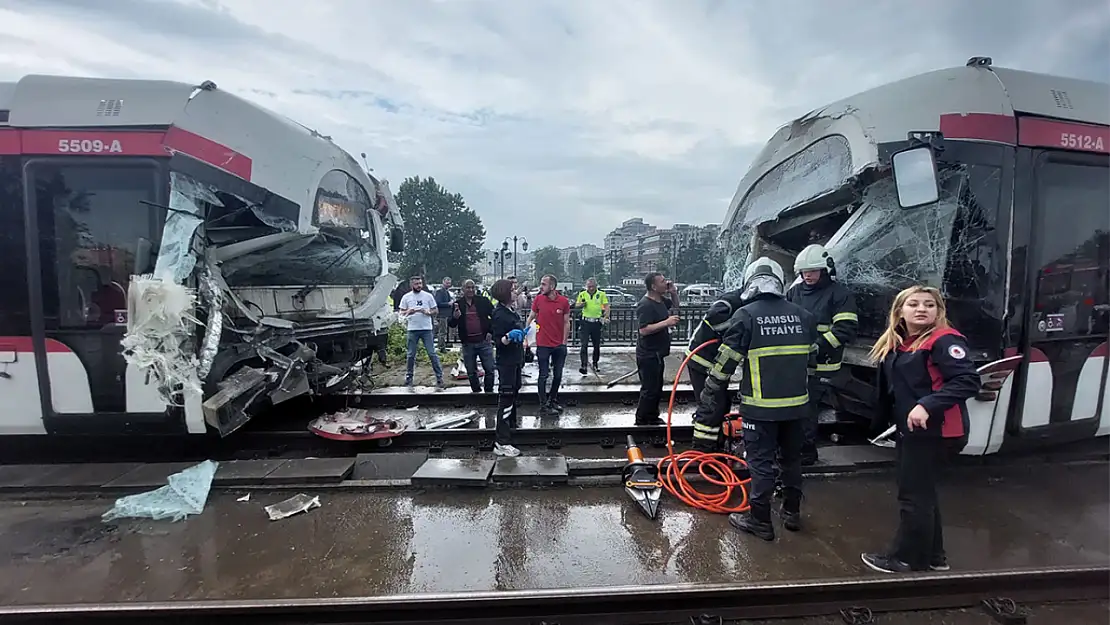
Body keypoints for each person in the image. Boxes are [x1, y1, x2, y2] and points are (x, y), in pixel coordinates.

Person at [861, 286, 980, 574]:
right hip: (912, 430)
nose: (921, 309)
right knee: (923, 494)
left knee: (913, 496)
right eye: (913, 304)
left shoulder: (944, 341)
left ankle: (907, 559)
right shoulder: (903, 342)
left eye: (929, 305)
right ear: (900, 311)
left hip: (936, 431)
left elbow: (967, 381)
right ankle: (934, 556)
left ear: (939, 312)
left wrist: (927, 405)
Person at [696, 258, 816, 541]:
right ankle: (792, 513)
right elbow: (811, 361)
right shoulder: (804, 315)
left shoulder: (746, 315)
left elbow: (726, 362)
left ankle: (760, 520)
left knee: (761, 463)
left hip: (760, 409)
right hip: (799, 406)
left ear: (750, 282)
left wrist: (710, 390)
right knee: (791, 460)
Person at [786, 244, 859, 464]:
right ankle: (793, 449)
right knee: (793, 406)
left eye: (813, 271)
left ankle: (806, 452)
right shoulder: (794, 292)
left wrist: (816, 348)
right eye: (805, 271)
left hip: (821, 364)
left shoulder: (840, 294)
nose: (808, 275)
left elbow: (845, 328)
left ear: (825, 270)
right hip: (795, 362)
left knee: (808, 408)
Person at [685, 284, 746, 450]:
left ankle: (719, 441)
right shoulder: (729, 303)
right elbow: (713, 317)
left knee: (722, 403)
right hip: (702, 360)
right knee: (712, 404)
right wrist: (734, 332)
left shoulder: (743, 301)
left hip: (717, 362)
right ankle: (705, 448)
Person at [634, 272, 681, 426]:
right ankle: (641, 419)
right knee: (649, 388)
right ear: (653, 286)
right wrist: (666, 322)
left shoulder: (660, 300)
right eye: (662, 281)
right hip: (648, 353)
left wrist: (673, 292)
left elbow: (675, 305)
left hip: (658, 353)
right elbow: (644, 330)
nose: (665, 283)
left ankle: (653, 416)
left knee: (657, 387)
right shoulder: (645, 304)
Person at [489, 278, 525, 458]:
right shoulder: (499, 314)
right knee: (506, 399)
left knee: (514, 396)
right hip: (507, 363)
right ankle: (501, 441)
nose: (515, 292)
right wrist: (508, 337)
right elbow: (498, 341)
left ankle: (510, 431)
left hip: (516, 360)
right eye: (512, 290)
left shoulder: (510, 310)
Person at [526, 274, 570, 415]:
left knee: (557, 375)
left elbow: (566, 322)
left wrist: (564, 342)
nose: (541, 286)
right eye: (541, 283)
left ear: (552, 286)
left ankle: (552, 399)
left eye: (544, 284)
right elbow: (531, 317)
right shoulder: (538, 299)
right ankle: (543, 404)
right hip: (543, 344)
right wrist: (526, 338)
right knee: (543, 375)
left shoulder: (563, 302)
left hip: (558, 345)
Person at [448, 279, 496, 394]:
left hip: (484, 341)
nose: (470, 290)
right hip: (468, 343)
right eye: (468, 287)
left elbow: (495, 317)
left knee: (489, 369)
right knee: (471, 371)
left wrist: (491, 332)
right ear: (463, 289)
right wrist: (455, 317)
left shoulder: (483, 301)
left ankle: (489, 393)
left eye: (472, 287)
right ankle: (476, 393)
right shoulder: (458, 304)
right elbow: (451, 324)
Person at [399, 275, 445, 389]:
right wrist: (408, 312)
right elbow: (401, 312)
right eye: (416, 284)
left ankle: (439, 377)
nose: (419, 286)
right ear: (411, 285)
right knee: (410, 355)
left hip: (426, 329)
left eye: (420, 283)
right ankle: (409, 378)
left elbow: (436, 310)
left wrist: (429, 312)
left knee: (432, 353)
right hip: (412, 329)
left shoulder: (428, 296)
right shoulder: (406, 297)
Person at [575, 277, 610, 375]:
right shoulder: (582, 294)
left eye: (592, 287)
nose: (590, 288)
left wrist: (606, 316)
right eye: (589, 286)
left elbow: (606, 306)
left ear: (596, 286)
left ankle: (595, 363)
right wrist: (582, 304)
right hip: (585, 322)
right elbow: (576, 305)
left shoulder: (601, 294)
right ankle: (584, 365)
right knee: (584, 344)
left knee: (596, 345)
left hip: (596, 322)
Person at [433, 277, 454, 351]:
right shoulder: (440, 292)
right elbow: (438, 303)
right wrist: (448, 304)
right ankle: (441, 347)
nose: (448, 284)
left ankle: (442, 346)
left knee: (444, 331)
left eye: (449, 283)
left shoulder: (446, 291)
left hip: (445, 314)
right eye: (447, 283)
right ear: (443, 282)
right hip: (442, 314)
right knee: (442, 332)